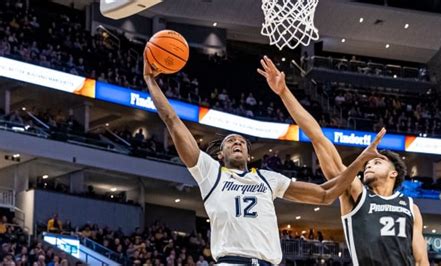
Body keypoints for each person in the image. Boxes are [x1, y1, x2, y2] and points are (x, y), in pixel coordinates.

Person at [143, 53, 387, 265]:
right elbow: (172, 120)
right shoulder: (210, 173)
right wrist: (150, 81)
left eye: (241, 141)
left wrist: (360, 161)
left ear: (250, 155)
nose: (237, 142)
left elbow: (325, 194)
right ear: (220, 154)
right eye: (230, 141)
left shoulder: (268, 179)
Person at [258, 56, 429, 266]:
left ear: (394, 173)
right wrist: (284, 92)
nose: (368, 165)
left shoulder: (411, 207)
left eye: (377, 162)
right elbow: (318, 137)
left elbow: (421, 260)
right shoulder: (356, 191)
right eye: (368, 163)